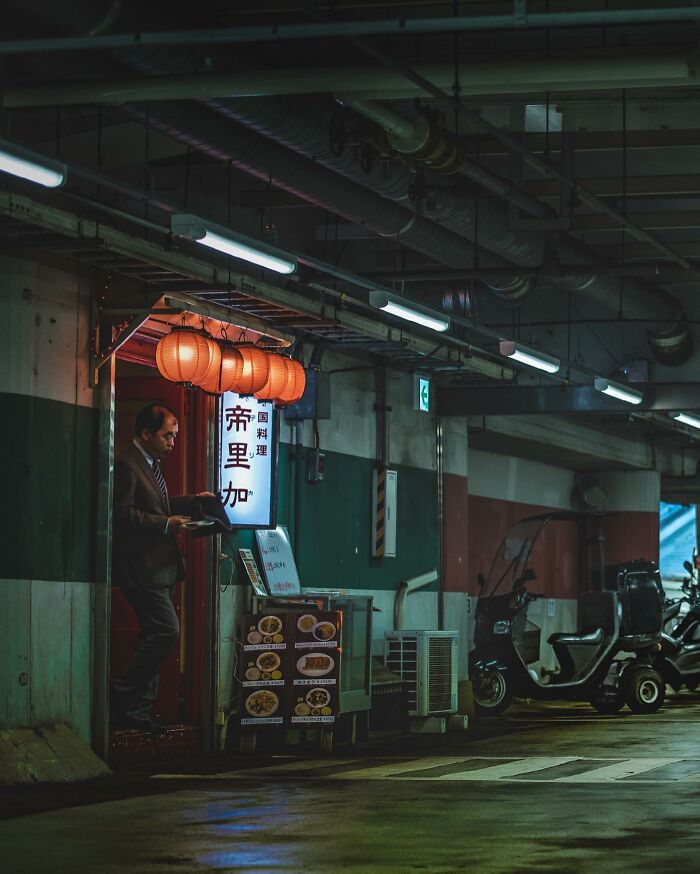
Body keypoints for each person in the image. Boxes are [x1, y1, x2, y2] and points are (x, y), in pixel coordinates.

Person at [111, 402, 213, 733]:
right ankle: (124, 696)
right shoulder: (126, 464)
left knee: (155, 634)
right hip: (141, 568)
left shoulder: (148, 463)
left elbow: (159, 505)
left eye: (174, 436)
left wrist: (194, 500)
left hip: (159, 568)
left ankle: (137, 709)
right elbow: (120, 514)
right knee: (166, 631)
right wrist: (166, 524)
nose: (172, 442)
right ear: (146, 433)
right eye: (168, 436)